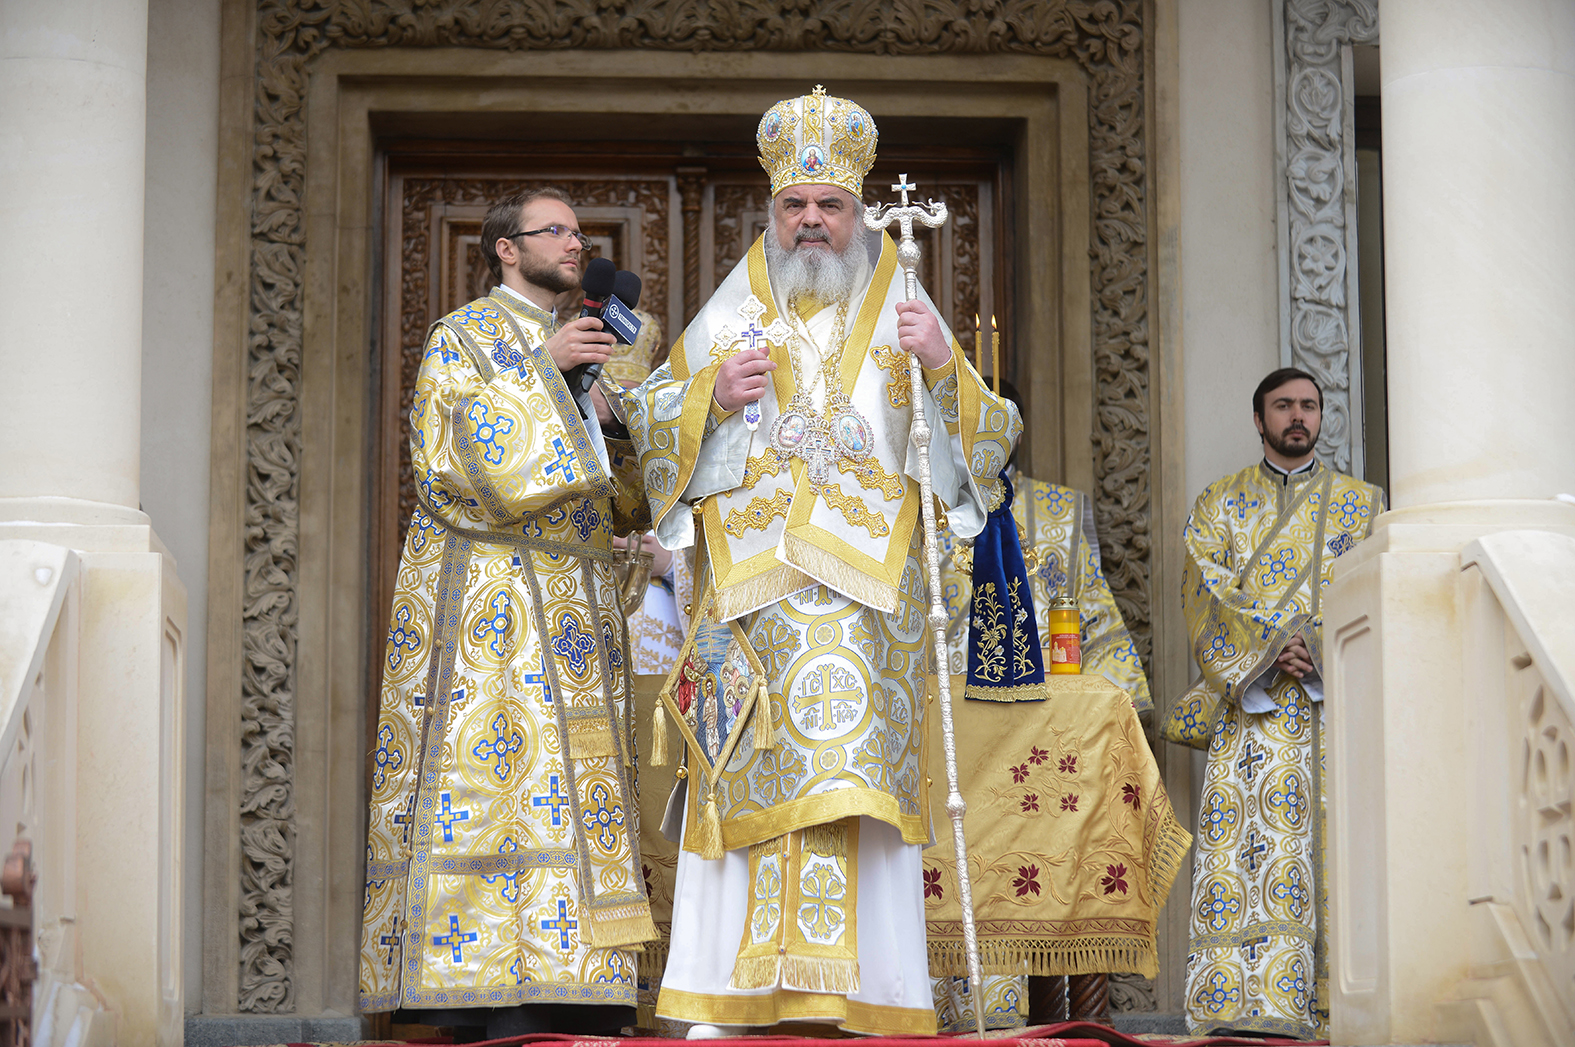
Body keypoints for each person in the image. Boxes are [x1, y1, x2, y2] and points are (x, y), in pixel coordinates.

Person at [626, 86, 1019, 1037]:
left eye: (829, 205)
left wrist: (941, 369)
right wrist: (707, 398)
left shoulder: (906, 304)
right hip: (753, 597)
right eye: (795, 204)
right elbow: (646, 431)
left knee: (854, 793)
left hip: (866, 600)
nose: (811, 220)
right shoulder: (731, 313)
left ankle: (871, 997)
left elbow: (990, 448)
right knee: (745, 775)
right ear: (773, 211)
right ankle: (728, 997)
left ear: (857, 211)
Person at [358, 187, 657, 1039]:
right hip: (495, 613)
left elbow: (626, 503)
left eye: (576, 231)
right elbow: (448, 463)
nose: (573, 243)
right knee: (506, 789)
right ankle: (487, 985)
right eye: (553, 230)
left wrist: (612, 420)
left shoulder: (600, 348)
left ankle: (582, 988)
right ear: (504, 248)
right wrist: (547, 373)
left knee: (576, 790)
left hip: (578, 610)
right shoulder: (465, 336)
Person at [1163, 367, 1384, 1039]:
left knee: (1340, 853)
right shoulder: (1219, 503)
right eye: (1283, 405)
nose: (1298, 416)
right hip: (1251, 713)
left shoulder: (1365, 504)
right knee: (1250, 851)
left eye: (1308, 406)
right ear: (1258, 419)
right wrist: (1269, 647)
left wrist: (1316, 644)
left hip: (1336, 709)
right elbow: (1202, 585)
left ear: (1321, 417)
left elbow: (1377, 585)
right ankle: (1240, 1001)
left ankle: (1334, 1002)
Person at [937, 379, 1152, 714]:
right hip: (948, 705)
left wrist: (1109, 707)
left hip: (1047, 705)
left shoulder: (1062, 510)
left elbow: (1094, 612)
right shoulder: (928, 511)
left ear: (1018, 432)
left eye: (1000, 423)